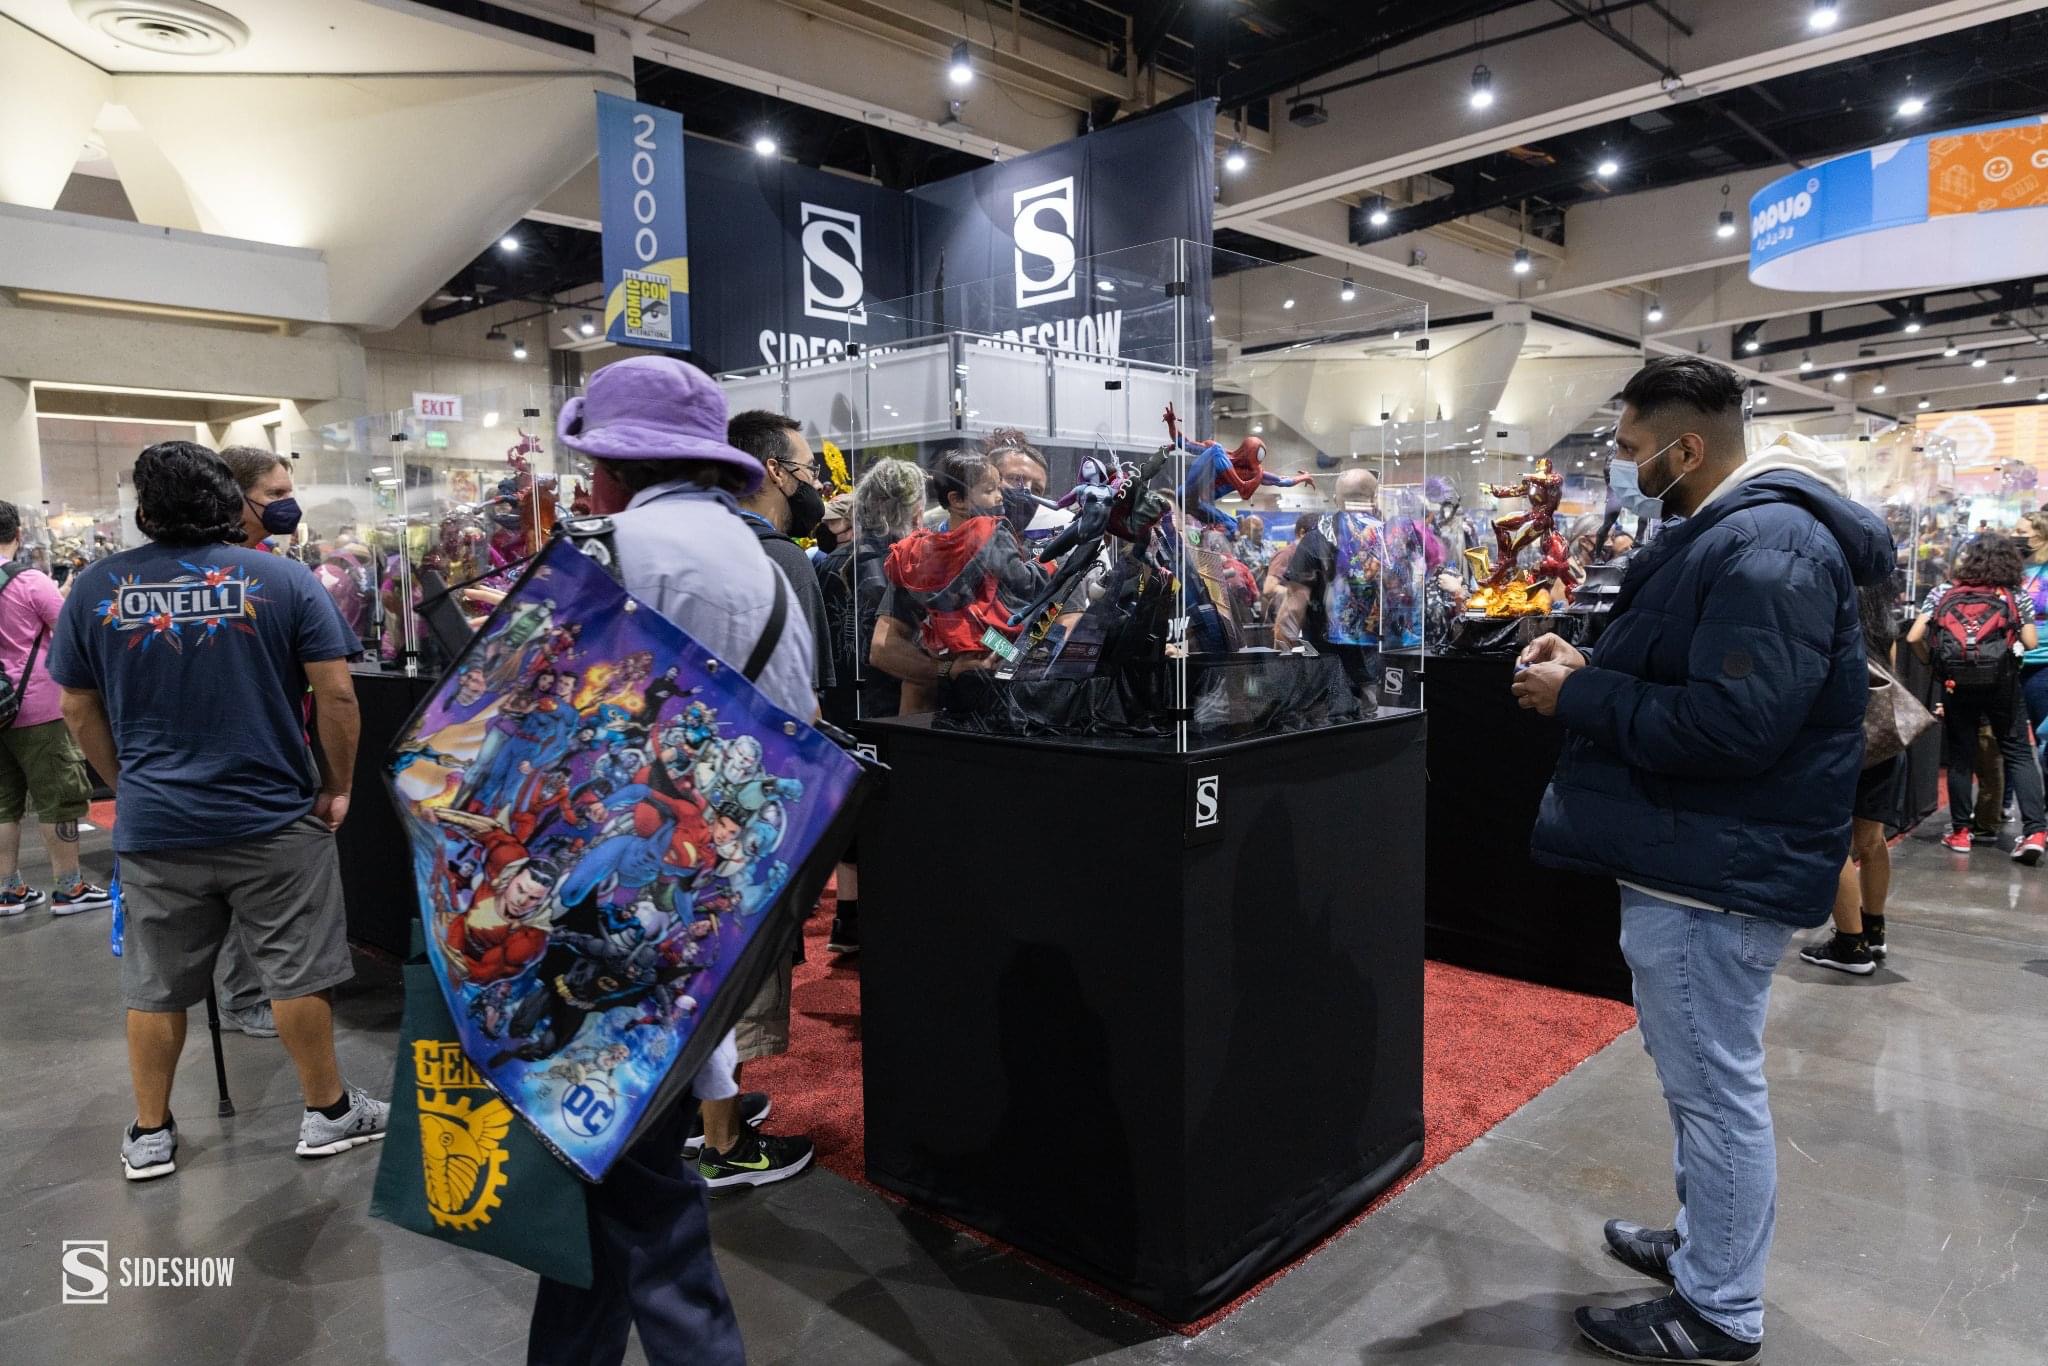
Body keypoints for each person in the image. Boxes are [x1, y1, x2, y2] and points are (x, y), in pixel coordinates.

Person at [1511, 365, 1892, 1362]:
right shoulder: (1741, 535)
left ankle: (1717, 1308)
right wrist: (1591, 669)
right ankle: (1702, 1248)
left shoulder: (1767, 547)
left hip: (1714, 868)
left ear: (1686, 449)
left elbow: (1732, 726)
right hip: (1703, 852)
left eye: (1633, 450)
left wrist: (1579, 699)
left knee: (1714, 1092)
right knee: (1700, 1083)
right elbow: (1711, 681)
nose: (1625, 467)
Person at [525, 355, 808, 1366]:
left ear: (608, 467)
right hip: (727, 902)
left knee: (638, 1184)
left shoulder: (604, 550)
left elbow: (532, 730)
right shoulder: (769, 566)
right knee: (606, 1167)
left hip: (607, 911)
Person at [49, 441, 382, 1182]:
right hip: (274, 817)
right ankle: (327, 1112)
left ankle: (150, 1132)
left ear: (144, 510)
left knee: (155, 983)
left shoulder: (98, 586)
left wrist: (127, 783)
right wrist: (337, 785)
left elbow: (76, 705)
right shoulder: (283, 579)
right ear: (230, 502)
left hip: (158, 824)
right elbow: (336, 694)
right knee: (297, 972)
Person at [713, 409, 832, 1189]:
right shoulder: (781, 558)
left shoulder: (700, 546)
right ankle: (724, 1147)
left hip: (689, 784)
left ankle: (708, 1114)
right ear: (773, 471)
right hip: (753, 791)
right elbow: (803, 702)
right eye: (807, 469)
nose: (816, 484)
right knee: (740, 969)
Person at [817, 458, 925, 956]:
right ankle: (877, 922)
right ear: (913, 507)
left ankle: (847, 918)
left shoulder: (829, 561)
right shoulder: (908, 562)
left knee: (849, 813)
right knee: (887, 818)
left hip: (837, 704)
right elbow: (897, 648)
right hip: (891, 705)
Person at [871, 449, 1044, 714]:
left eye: (1038, 489)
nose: (1023, 492)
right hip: (945, 710)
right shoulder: (924, 553)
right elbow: (883, 648)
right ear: (958, 498)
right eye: (1013, 480)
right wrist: (946, 670)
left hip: (1013, 709)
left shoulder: (1034, 548)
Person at [1908, 533, 2047, 863]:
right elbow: (2029, 642)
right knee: (2018, 753)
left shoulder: (1944, 592)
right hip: (2003, 684)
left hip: (1957, 684)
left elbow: (1914, 636)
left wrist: (1933, 663)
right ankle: (2035, 832)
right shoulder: (2013, 594)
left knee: (1962, 757)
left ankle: (1960, 832)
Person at [0, 501, 109, 918]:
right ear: (18, 534)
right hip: (36, 707)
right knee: (59, 797)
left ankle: (8, 890)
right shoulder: (29, 581)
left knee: (3, 803)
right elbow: (68, 632)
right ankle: (69, 887)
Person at [1802, 581, 1907, 974]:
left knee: (1831, 843)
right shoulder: (1882, 616)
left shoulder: (1823, 611)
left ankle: (1851, 945)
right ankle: (1874, 931)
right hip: (1883, 736)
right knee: (1871, 839)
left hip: (1837, 739)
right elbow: (1891, 673)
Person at [1275, 468, 1398, 701]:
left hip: (1330, 668)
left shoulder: (1316, 540)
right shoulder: (1391, 540)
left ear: (1336, 500)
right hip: (1383, 667)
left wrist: (1283, 667)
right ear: (1374, 499)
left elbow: (1293, 609)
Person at [2016, 510, 2048, 773]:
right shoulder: (2014, 567)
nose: (2015, 537)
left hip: (2043, 663)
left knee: (2043, 736)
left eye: (2022, 533)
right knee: (2010, 740)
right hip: (2010, 659)